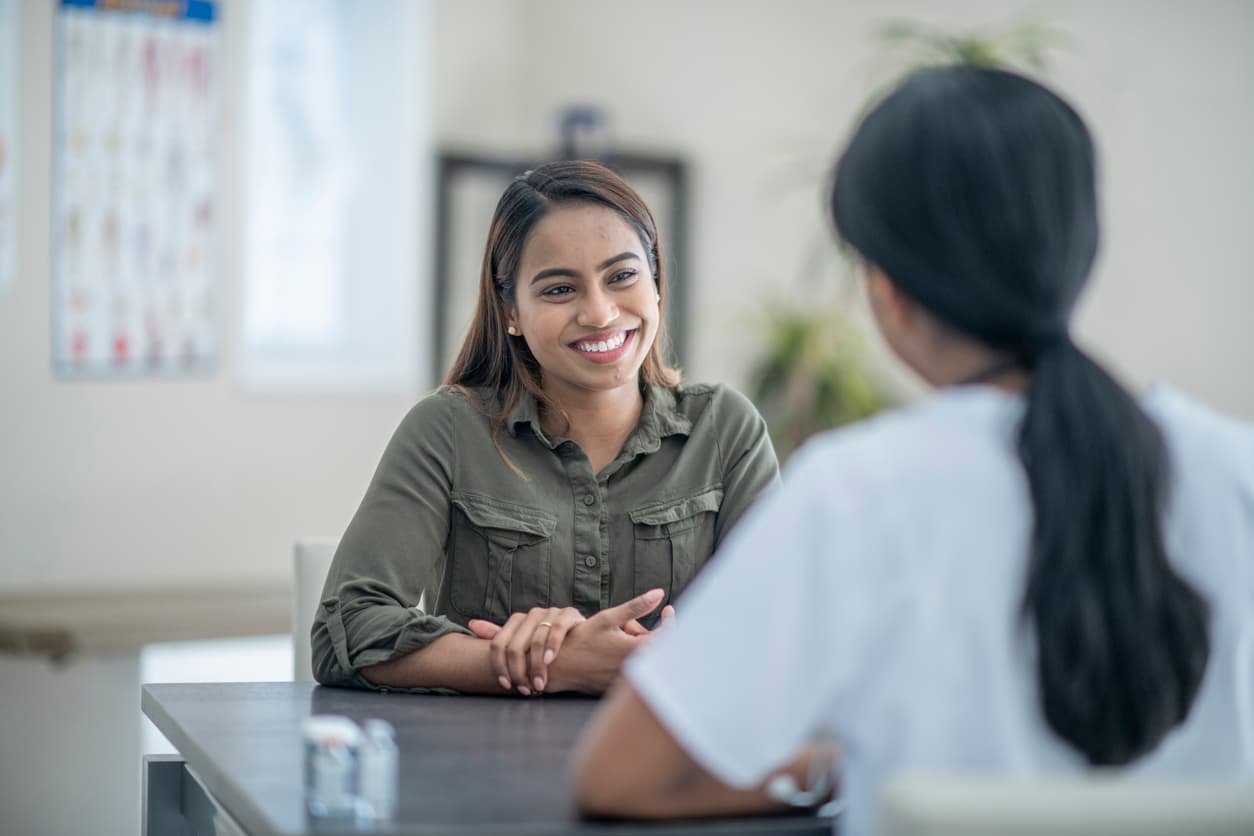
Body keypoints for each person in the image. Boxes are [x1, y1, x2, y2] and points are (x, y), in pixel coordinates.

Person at [570, 67, 1254, 833]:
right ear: (1078, 253)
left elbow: (617, 775)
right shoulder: (1235, 469)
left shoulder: (857, 491)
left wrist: (840, 767)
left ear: (887, 288)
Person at [311, 160, 778, 697]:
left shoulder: (725, 429)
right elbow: (344, 630)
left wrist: (658, 663)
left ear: (655, 284)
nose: (600, 313)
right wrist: (548, 665)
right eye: (560, 290)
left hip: (673, 769)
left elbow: (780, 635)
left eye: (622, 276)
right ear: (510, 310)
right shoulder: (448, 429)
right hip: (481, 767)